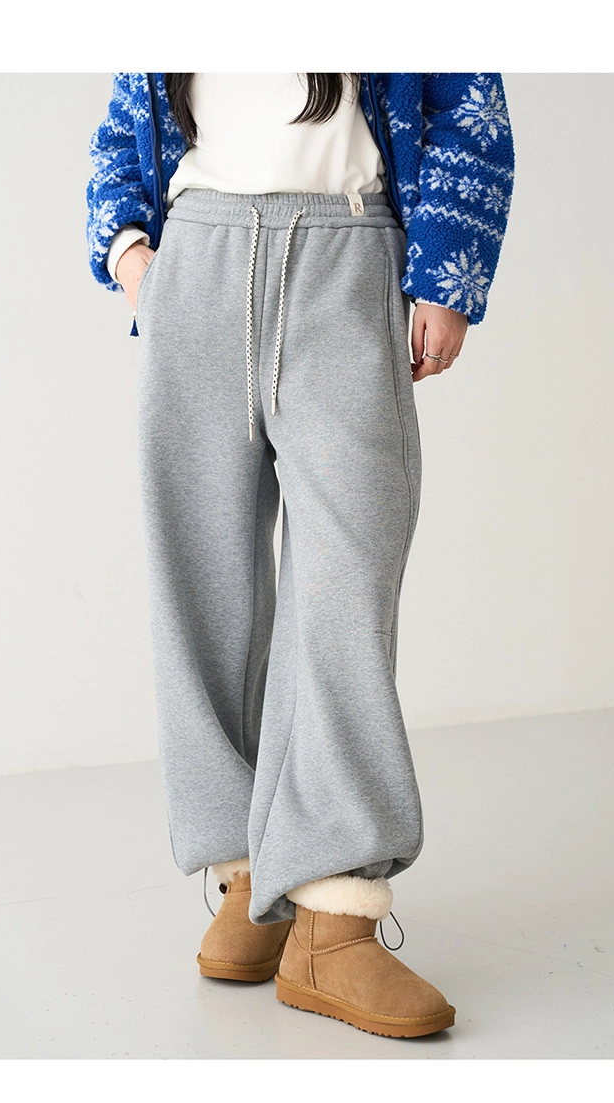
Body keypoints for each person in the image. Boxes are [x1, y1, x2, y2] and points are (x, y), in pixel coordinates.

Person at [87, 69, 515, 1040]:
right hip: (196, 257)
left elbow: (468, 96)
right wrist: (131, 254)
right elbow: (124, 115)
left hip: (345, 251)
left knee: (345, 583)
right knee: (201, 584)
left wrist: (446, 273)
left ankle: (333, 913)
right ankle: (250, 873)